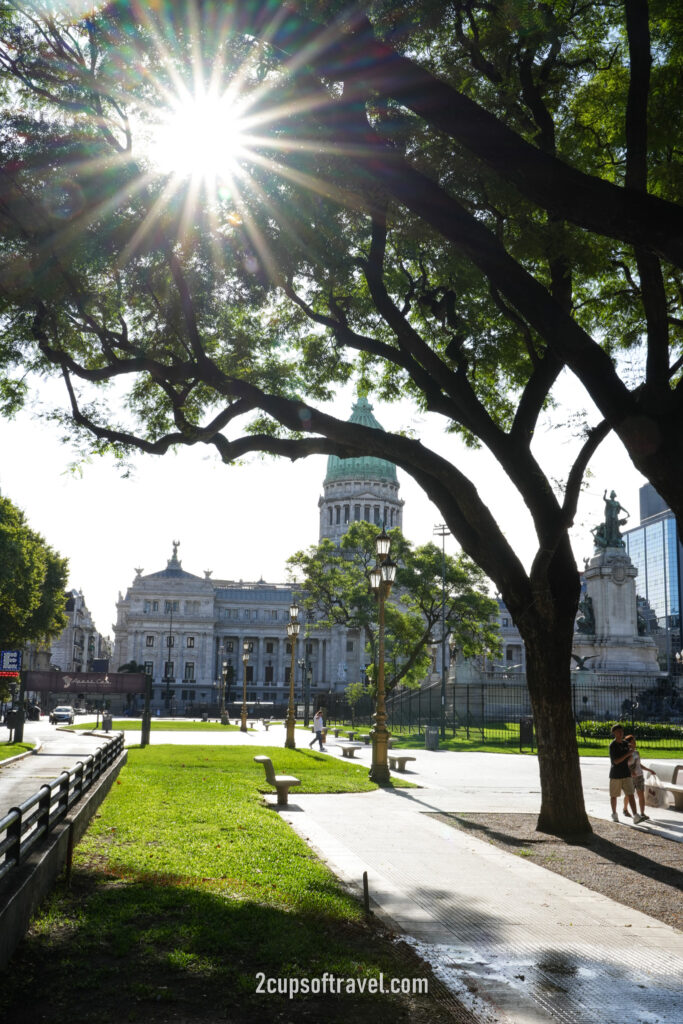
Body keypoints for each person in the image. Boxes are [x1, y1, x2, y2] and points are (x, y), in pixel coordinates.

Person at [609, 724, 640, 822]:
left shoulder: (625, 743)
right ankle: (614, 813)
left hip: (626, 773)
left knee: (631, 794)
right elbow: (616, 761)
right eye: (618, 731)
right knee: (614, 796)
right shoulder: (612, 745)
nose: (621, 733)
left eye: (622, 731)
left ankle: (635, 815)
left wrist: (631, 751)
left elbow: (629, 758)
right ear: (614, 733)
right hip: (616, 774)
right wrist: (628, 754)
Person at [622, 734, 655, 821]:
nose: (634, 743)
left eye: (635, 742)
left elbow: (639, 765)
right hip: (630, 778)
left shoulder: (636, 753)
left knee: (641, 795)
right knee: (629, 795)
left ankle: (642, 813)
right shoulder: (626, 754)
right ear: (628, 743)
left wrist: (649, 770)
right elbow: (624, 765)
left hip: (639, 776)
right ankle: (625, 809)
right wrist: (631, 772)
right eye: (633, 742)